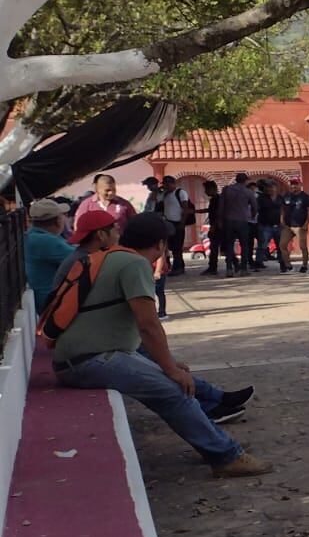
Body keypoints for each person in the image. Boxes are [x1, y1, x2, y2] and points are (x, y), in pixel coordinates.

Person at [48, 213, 270, 478]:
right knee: (175, 390)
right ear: (160, 244)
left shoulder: (111, 257)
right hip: (89, 360)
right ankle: (226, 456)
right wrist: (171, 369)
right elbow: (148, 325)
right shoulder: (134, 264)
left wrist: (168, 363)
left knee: (174, 382)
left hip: (84, 357)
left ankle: (219, 446)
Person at [24, 198, 75, 298]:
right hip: (51, 303)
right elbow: (81, 258)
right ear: (58, 221)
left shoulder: (33, 235)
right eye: (63, 215)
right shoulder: (45, 241)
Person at [217, 172, 257, 277]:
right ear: (245, 181)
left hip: (228, 220)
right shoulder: (248, 192)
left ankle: (229, 269)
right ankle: (244, 269)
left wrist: (220, 220)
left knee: (229, 245)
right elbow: (254, 206)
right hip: (242, 221)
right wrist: (252, 216)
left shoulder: (226, 190)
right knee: (244, 245)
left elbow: (221, 206)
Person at [156, 176, 190, 274]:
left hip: (178, 223)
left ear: (173, 183)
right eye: (164, 184)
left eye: (167, 183)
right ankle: (178, 266)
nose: (165, 186)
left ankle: (178, 268)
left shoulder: (180, 193)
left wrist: (182, 223)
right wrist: (159, 190)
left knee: (177, 247)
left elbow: (185, 208)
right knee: (171, 246)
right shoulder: (165, 195)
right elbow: (158, 200)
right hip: (168, 222)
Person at [279, 176, 309, 273]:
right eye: (292, 184)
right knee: (282, 245)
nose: (294, 186)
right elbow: (282, 209)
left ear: (300, 185)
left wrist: (306, 223)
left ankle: (304, 265)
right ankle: (288, 265)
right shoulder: (286, 196)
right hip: (288, 226)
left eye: (296, 184)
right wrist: (282, 220)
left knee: (303, 246)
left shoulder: (305, 197)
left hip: (300, 226)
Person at [254, 178, 283, 271]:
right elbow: (256, 210)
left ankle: (283, 263)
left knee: (281, 245)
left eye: (271, 187)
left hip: (278, 225)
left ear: (276, 188)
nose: (269, 189)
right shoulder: (261, 198)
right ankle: (258, 263)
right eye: (267, 187)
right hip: (265, 225)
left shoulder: (280, 198)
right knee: (262, 245)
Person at [200, 180, 222, 275]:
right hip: (217, 226)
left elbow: (218, 214)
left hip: (217, 227)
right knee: (221, 247)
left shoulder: (217, 199)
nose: (205, 192)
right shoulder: (214, 199)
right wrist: (196, 211)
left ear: (213, 189)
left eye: (207, 189)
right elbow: (210, 210)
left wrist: (214, 226)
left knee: (214, 247)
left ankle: (213, 267)